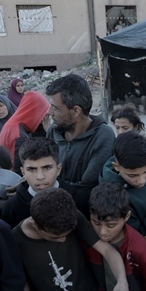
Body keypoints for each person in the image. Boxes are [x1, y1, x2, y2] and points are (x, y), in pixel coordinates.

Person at [11, 187, 131, 291]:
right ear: (35, 224)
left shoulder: (72, 216)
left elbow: (108, 251)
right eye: (54, 238)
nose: (62, 240)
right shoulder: (15, 240)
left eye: (66, 235)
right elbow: (22, 281)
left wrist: (122, 282)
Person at [46, 75, 116, 209]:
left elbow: (86, 189)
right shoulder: (53, 131)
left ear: (76, 111)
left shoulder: (102, 136)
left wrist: (47, 185)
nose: (50, 112)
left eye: (55, 108)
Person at [0, 137, 62, 228]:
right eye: (32, 169)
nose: (40, 177)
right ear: (23, 172)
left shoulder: (79, 200)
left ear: (58, 169)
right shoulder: (10, 209)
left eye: (47, 168)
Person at [0, 90, 50, 170]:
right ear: (34, 111)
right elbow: (19, 170)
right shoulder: (19, 135)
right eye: (43, 114)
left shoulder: (13, 124)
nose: (44, 120)